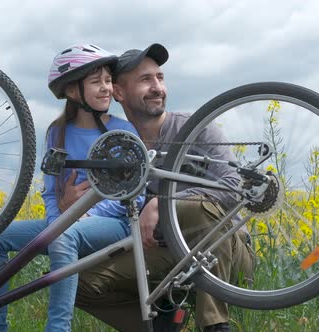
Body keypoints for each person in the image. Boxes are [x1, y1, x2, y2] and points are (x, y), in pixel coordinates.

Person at [72, 44, 256, 332]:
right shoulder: (118, 150)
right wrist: (70, 207)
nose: (157, 87)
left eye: (159, 77)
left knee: (199, 210)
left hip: (226, 254)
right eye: (146, 80)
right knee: (75, 280)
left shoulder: (196, 129)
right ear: (119, 92)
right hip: (169, 256)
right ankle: (165, 326)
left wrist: (161, 203)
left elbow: (234, 189)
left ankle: (215, 325)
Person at [0, 43, 143, 332]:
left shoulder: (124, 131)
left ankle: (58, 329)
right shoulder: (56, 133)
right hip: (64, 222)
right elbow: (49, 192)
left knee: (64, 237)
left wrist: (84, 216)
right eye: (96, 82)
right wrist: (56, 220)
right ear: (73, 91)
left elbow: (136, 193)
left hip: (114, 224)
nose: (106, 88)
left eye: (108, 81)